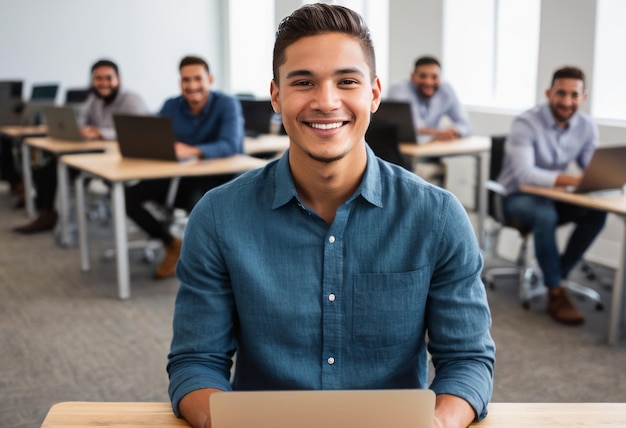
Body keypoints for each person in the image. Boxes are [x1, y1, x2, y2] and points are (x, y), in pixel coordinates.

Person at [167, 4, 494, 428]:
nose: (326, 101)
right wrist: (220, 422)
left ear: (373, 94)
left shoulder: (437, 217)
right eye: (303, 82)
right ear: (276, 95)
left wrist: (438, 424)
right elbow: (196, 361)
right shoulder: (217, 217)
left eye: (347, 81)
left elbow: (467, 360)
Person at [497, 66, 607, 326]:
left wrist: (603, 177)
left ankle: (558, 275)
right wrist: (573, 180)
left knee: (597, 213)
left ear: (583, 97)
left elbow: (589, 167)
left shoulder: (586, 126)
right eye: (561, 93)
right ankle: (556, 291)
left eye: (574, 95)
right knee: (544, 214)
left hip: (554, 196)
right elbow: (525, 175)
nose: (567, 101)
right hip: (516, 197)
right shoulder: (526, 123)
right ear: (549, 93)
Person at [124, 55, 244, 279]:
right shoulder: (171, 105)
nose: (191, 85)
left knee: (199, 205)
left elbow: (231, 145)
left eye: (197, 79)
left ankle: (214, 268)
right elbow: (155, 137)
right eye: (185, 80)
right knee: (127, 196)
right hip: (180, 177)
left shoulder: (227, 104)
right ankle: (171, 244)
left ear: (210, 79)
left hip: (216, 179)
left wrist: (192, 149)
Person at [13, 59, 148, 234]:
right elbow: (80, 121)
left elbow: (136, 130)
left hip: (125, 159)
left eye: (109, 78)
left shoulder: (131, 100)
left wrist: (100, 132)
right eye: (98, 78)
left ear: (118, 79)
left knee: (56, 167)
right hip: (97, 155)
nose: (104, 83)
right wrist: (81, 129)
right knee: (48, 167)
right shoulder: (94, 99)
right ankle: (45, 214)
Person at [388, 56, 471, 142]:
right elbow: (412, 129)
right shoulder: (399, 89)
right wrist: (440, 133)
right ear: (412, 76)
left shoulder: (446, 90)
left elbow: (465, 126)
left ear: (440, 77)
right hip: (405, 148)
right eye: (422, 76)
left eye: (434, 77)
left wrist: (455, 131)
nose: (428, 82)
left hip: (432, 147)